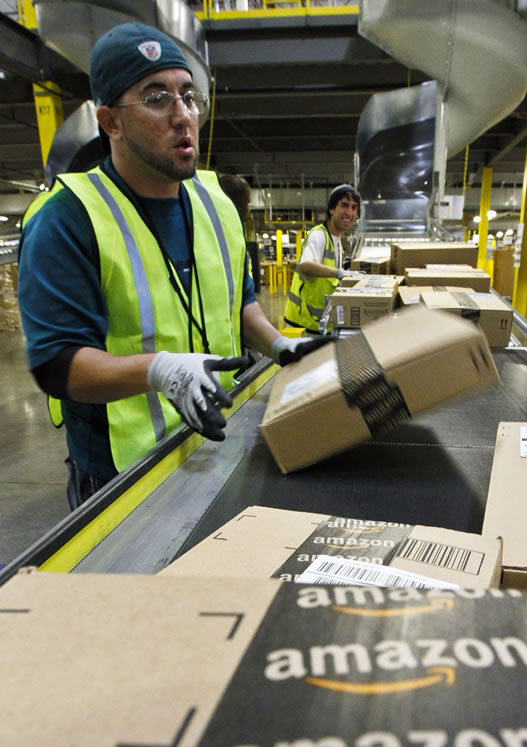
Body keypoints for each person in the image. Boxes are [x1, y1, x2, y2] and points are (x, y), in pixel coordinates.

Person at [18, 22, 324, 509]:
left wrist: (278, 343)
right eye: (156, 98)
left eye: (189, 97)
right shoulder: (67, 218)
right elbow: (58, 364)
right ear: (110, 121)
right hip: (120, 473)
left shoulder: (216, 201)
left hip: (218, 437)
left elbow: (239, 303)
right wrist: (159, 370)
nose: (183, 116)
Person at [284, 184, 362, 333]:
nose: (349, 212)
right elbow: (305, 266)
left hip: (318, 326)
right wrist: (338, 272)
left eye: (354, 208)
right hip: (302, 327)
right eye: (344, 205)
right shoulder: (319, 235)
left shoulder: (337, 242)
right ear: (332, 209)